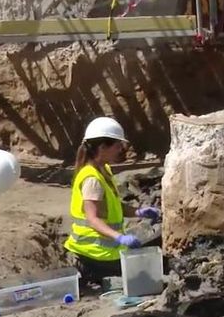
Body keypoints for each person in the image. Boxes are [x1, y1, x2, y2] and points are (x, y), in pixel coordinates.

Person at [64, 117, 160, 286]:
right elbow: (93, 218)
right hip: (94, 255)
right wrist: (120, 237)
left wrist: (138, 212)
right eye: (117, 146)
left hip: (105, 252)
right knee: (148, 271)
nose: (120, 150)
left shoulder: (104, 170)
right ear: (102, 147)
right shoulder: (92, 178)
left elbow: (111, 207)